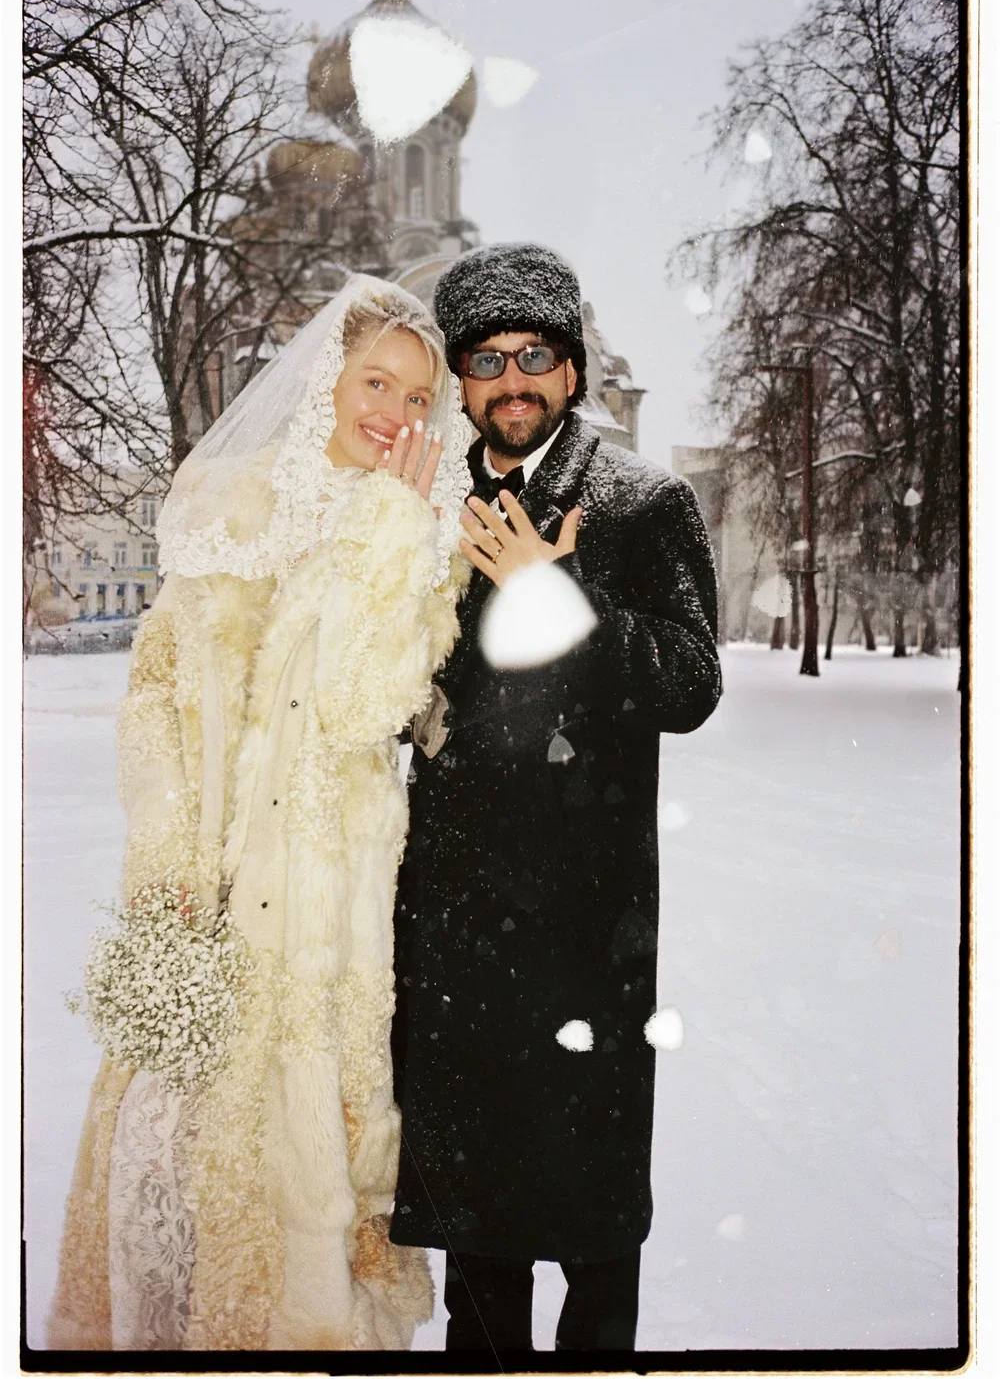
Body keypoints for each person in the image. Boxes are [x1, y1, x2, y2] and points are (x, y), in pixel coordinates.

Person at [48, 276, 474, 1353]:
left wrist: (390, 535)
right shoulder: (227, 502)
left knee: (299, 1158)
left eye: (419, 396)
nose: (395, 410)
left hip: (329, 899)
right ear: (328, 375)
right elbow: (152, 688)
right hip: (204, 884)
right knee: (174, 1155)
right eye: (376, 379)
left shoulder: (418, 532)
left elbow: (358, 704)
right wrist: (164, 836)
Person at [389, 243, 723, 1355]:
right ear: (461, 380)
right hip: (453, 931)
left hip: (586, 928)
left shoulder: (641, 501)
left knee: (587, 1224)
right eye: (485, 359)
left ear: (573, 372)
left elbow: (688, 683)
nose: (512, 379)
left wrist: (555, 596)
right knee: (477, 1236)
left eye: (536, 354)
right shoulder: (426, 502)